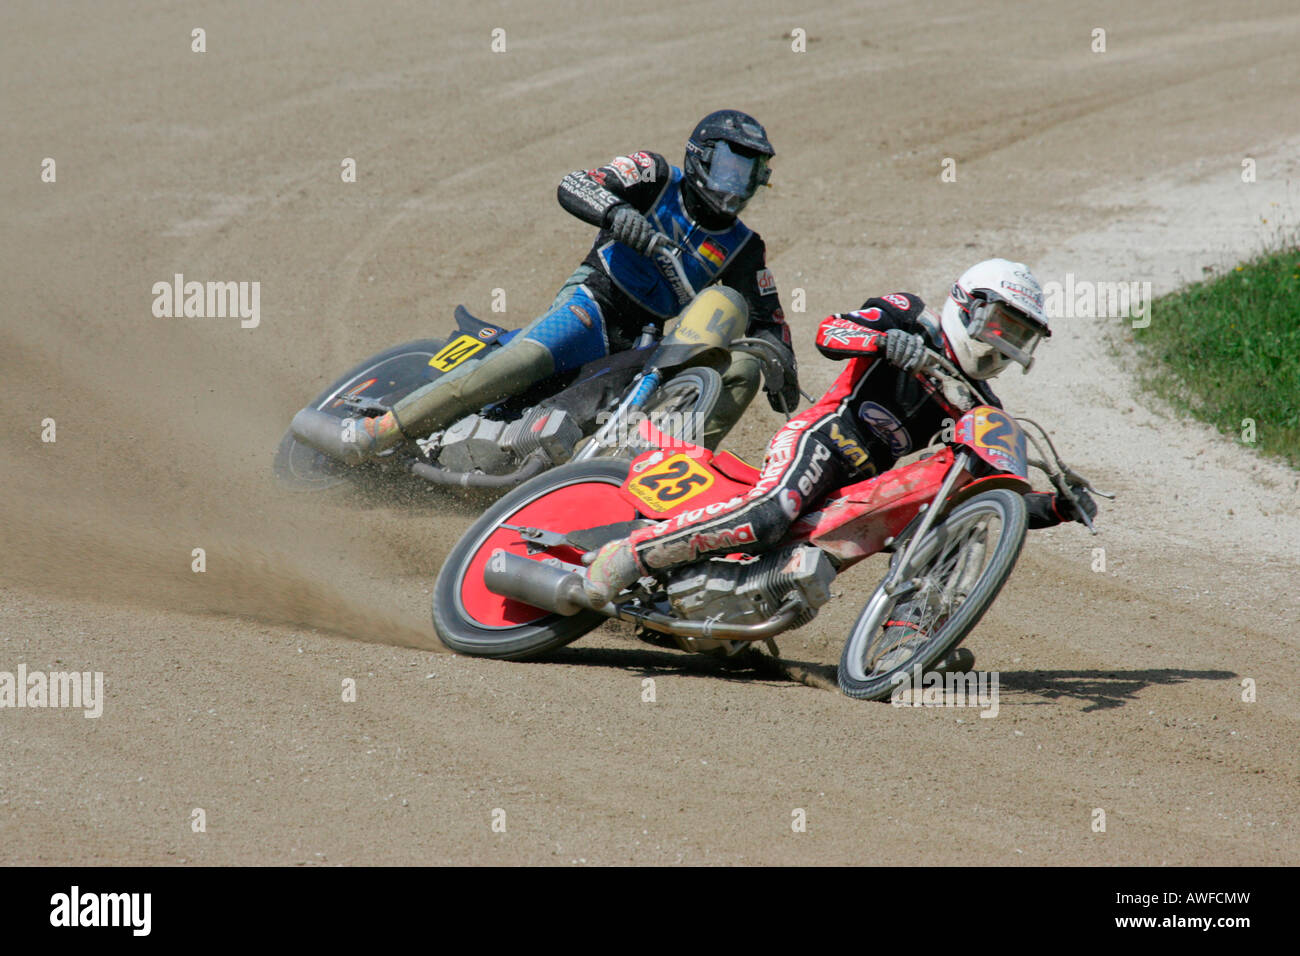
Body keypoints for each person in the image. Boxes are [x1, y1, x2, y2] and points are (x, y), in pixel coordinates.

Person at [291, 110, 799, 463]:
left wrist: (780, 367)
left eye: (752, 172)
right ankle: (377, 432)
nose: (740, 183)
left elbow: (769, 320)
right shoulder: (652, 174)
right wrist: (618, 212)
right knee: (526, 361)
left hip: (651, 343)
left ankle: (661, 487)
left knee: (741, 365)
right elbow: (576, 183)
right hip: (593, 303)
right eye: (733, 166)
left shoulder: (743, 248)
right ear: (701, 157)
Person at [584, 258, 1098, 605]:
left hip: (861, 486)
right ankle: (633, 553)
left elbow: (991, 498)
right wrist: (885, 342)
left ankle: (910, 631)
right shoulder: (912, 316)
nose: (1003, 346)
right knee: (768, 516)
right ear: (969, 304)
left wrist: (1057, 506)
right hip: (822, 438)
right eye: (1002, 325)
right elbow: (829, 331)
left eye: (1021, 335)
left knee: (927, 525)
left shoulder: (982, 406)